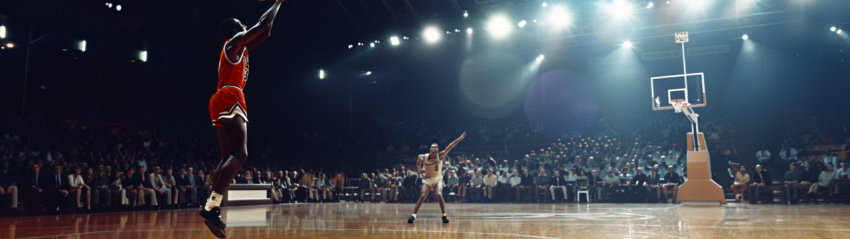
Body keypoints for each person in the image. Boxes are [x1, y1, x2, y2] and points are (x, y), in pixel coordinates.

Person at [200, 0, 284, 237]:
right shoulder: (232, 44)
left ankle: (212, 206)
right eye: (240, 24)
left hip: (220, 97)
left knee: (228, 156)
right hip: (230, 95)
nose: (244, 25)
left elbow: (266, 30)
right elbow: (262, 23)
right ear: (235, 30)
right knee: (241, 154)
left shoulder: (241, 49)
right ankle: (211, 206)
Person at [409, 132, 466, 224]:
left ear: (437, 149)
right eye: (432, 147)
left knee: (438, 194)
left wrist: (460, 138)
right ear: (430, 149)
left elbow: (450, 146)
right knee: (423, 195)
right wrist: (419, 166)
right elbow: (418, 162)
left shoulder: (440, 156)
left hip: (437, 179)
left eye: (436, 147)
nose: (434, 148)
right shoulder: (424, 157)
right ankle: (413, 216)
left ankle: (444, 215)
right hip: (427, 179)